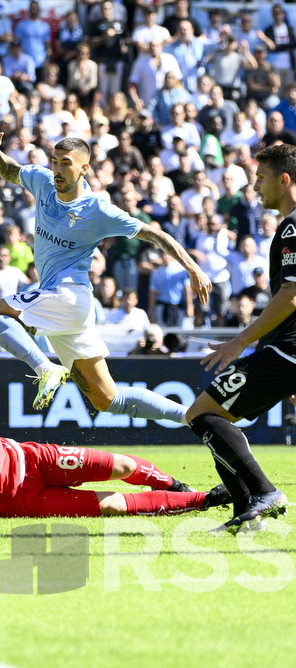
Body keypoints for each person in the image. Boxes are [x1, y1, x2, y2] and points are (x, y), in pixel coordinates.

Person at [0, 128, 212, 419]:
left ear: (85, 168)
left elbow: (154, 234)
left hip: (67, 294)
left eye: (66, 163)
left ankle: (43, 367)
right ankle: (194, 417)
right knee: (106, 398)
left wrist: (192, 267)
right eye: (55, 161)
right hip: (69, 307)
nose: (58, 169)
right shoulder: (42, 181)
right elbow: (10, 170)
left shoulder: (98, 209)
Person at [0, 367, 227, 522]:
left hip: (30, 460)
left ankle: (173, 484)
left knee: (120, 466)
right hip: (15, 504)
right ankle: (204, 499)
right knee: (112, 507)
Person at [185, 143, 296, 534]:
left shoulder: (293, 226)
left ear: (284, 180)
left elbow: (290, 296)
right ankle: (247, 513)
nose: (255, 186)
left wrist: (239, 342)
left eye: (261, 178)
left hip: (289, 350)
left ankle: (263, 495)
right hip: (286, 352)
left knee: (201, 414)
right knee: (217, 418)